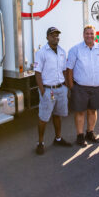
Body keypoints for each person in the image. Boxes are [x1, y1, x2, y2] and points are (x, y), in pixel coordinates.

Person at [66, 25, 99, 147]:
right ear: (83, 35)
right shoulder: (75, 49)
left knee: (93, 110)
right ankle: (80, 136)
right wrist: (71, 86)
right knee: (80, 112)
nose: (89, 36)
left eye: (92, 33)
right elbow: (69, 69)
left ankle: (90, 132)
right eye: (87, 33)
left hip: (97, 87)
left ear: (95, 35)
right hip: (80, 88)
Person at [34, 27, 72, 155]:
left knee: (57, 115)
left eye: (57, 35)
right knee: (44, 117)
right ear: (47, 38)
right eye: (52, 35)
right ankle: (40, 143)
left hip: (60, 89)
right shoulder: (41, 53)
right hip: (48, 90)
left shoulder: (62, 51)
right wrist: (42, 91)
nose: (55, 37)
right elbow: (37, 73)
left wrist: (66, 86)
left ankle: (58, 139)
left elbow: (64, 70)